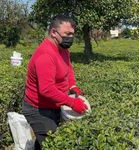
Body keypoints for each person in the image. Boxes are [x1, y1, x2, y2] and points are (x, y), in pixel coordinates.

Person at [22, 15, 88, 150]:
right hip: (38, 109)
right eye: (67, 34)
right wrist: (72, 102)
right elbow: (46, 90)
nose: (70, 37)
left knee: (46, 140)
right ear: (53, 32)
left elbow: (68, 68)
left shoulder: (63, 50)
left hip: (54, 104)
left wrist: (73, 85)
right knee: (52, 144)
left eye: (72, 34)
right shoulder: (45, 55)